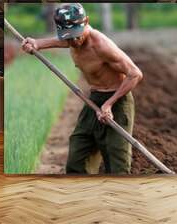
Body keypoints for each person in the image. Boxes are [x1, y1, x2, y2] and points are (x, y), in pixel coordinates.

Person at [21, 3, 143, 174]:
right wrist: (38, 43)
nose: (73, 41)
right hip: (94, 99)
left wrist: (109, 104)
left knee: (117, 161)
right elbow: (63, 42)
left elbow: (135, 74)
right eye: (68, 37)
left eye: (76, 36)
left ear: (86, 22)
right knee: (78, 155)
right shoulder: (71, 39)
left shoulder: (101, 46)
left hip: (117, 101)